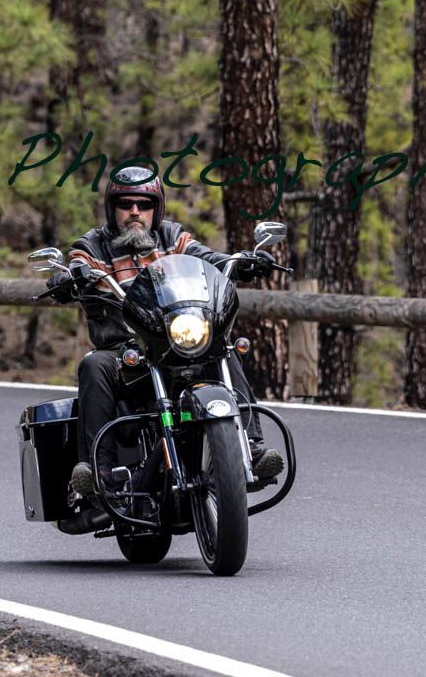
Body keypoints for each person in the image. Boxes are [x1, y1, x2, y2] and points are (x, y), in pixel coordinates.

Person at [46, 165, 285, 498]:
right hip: (126, 350)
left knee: (222, 348)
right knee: (94, 365)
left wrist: (238, 261)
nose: (134, 212)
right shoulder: (95, 244)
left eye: (143, 204)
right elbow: (78, 262)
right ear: (111, 207)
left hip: (176, 339)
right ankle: (100, 473)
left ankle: (251, 448)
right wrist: (69, 277)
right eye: (125, 204)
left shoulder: (172, 237)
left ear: (155, 209)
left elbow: (205, 257)